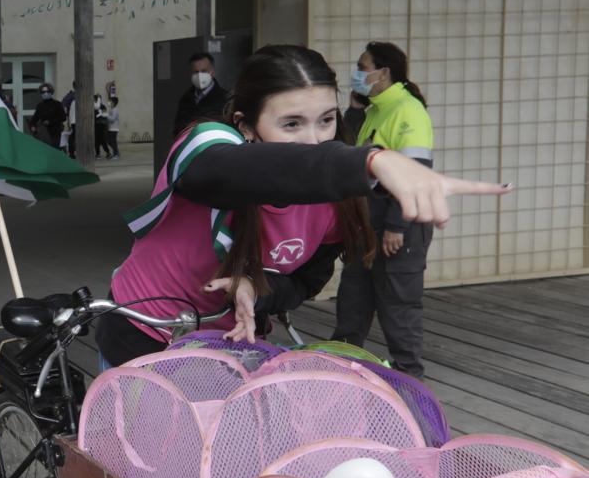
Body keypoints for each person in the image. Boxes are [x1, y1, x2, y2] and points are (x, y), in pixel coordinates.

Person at [96, 44, 508, 371]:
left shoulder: (335, 201)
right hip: (144, 331)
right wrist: (373, 160)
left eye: (326, 120)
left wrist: (256, 289)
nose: (314, 141)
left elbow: (304, 282)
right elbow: (232, 172)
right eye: (291, 124)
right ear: (245, 126)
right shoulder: (206, 147)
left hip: (231, 348)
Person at [332, 42, 436, 377]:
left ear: (384, 72)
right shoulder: (375, 109)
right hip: (367, 226)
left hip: (397, 226)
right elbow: (349, 156)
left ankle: (409, 380)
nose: (357, 73)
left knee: (398, 308)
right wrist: (355, 111)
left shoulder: (408, 110)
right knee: (353, 301)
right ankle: (339, 369)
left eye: (362, 66)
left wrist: (396, 225)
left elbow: (413, 173)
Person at [173, 50, 228, 135]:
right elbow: (178, 127)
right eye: (196, 72)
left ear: (212, 72)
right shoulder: (186, 99)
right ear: (190, 74)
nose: (200, 75)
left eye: (204, 71)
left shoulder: (225, 98)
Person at [29, 83, 66, 148]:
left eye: (47, 91)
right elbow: (35, 118)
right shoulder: (40, 105)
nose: (45, 93)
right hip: (44, 133)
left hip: (55, 132)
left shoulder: (57, 104)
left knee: (54, 150)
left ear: (51, 92)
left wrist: (50, 122)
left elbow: (63, 117)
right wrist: (32, 126)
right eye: (43, 92)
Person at [93, 94, 110, 160]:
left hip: (102, 126)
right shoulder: (94, 107)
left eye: (95, 99)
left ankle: (108, 152)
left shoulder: (102, 106)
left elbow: (105, 115)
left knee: (103, 140)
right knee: (96, 141)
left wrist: (100, 114)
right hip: (96, 126)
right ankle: (98, 154)